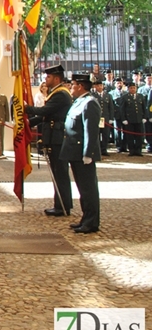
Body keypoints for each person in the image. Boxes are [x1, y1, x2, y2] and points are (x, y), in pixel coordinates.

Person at [25, 64, 73, 217]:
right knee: (57, 173)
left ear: (57, 78)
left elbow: (45, 111)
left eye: (48, 77)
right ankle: (60, 204)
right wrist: (28, 123)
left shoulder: (61, 94)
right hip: (53, 137)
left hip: (57, 138)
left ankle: (63, 206)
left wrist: (27, 108)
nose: (46, 79)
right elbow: (45, 116)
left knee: (60, 173)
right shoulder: (55, 92)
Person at [61, 74, 101, 234]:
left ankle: (92, 222)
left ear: (81, 86)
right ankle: (86, 218)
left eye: (73, 85)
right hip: (74, 152)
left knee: (88, 189)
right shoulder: (79, 102)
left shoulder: (90, 103)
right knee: (82, 188)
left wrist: (88, 153)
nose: (71, 88)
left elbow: (90, 131)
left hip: (82, 154)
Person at [121, 81, 146, 157]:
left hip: (139, 119)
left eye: (134, 88)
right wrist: (124, 119)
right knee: (130, 136)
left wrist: (144, 117)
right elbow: (122, 109)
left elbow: (144, 108)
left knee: (139, 136)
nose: (133, 89)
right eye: (131, 88)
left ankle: (138, 150)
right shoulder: (125, 97)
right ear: (128, 89)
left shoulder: (141, 96)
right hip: (129, 120)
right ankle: (131, 150)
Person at [94, 79, 114, 156]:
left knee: (106, 135)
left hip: (105, 118)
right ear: (95, 87)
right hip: (97, 118)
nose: (99, 87)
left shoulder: (108, 95)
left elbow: (111, 108)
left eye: (101, 85)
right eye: (97, 86)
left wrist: (111, 118)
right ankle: (97, 150)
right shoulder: (92, 95)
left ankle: (104, 149)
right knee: (97, 135)